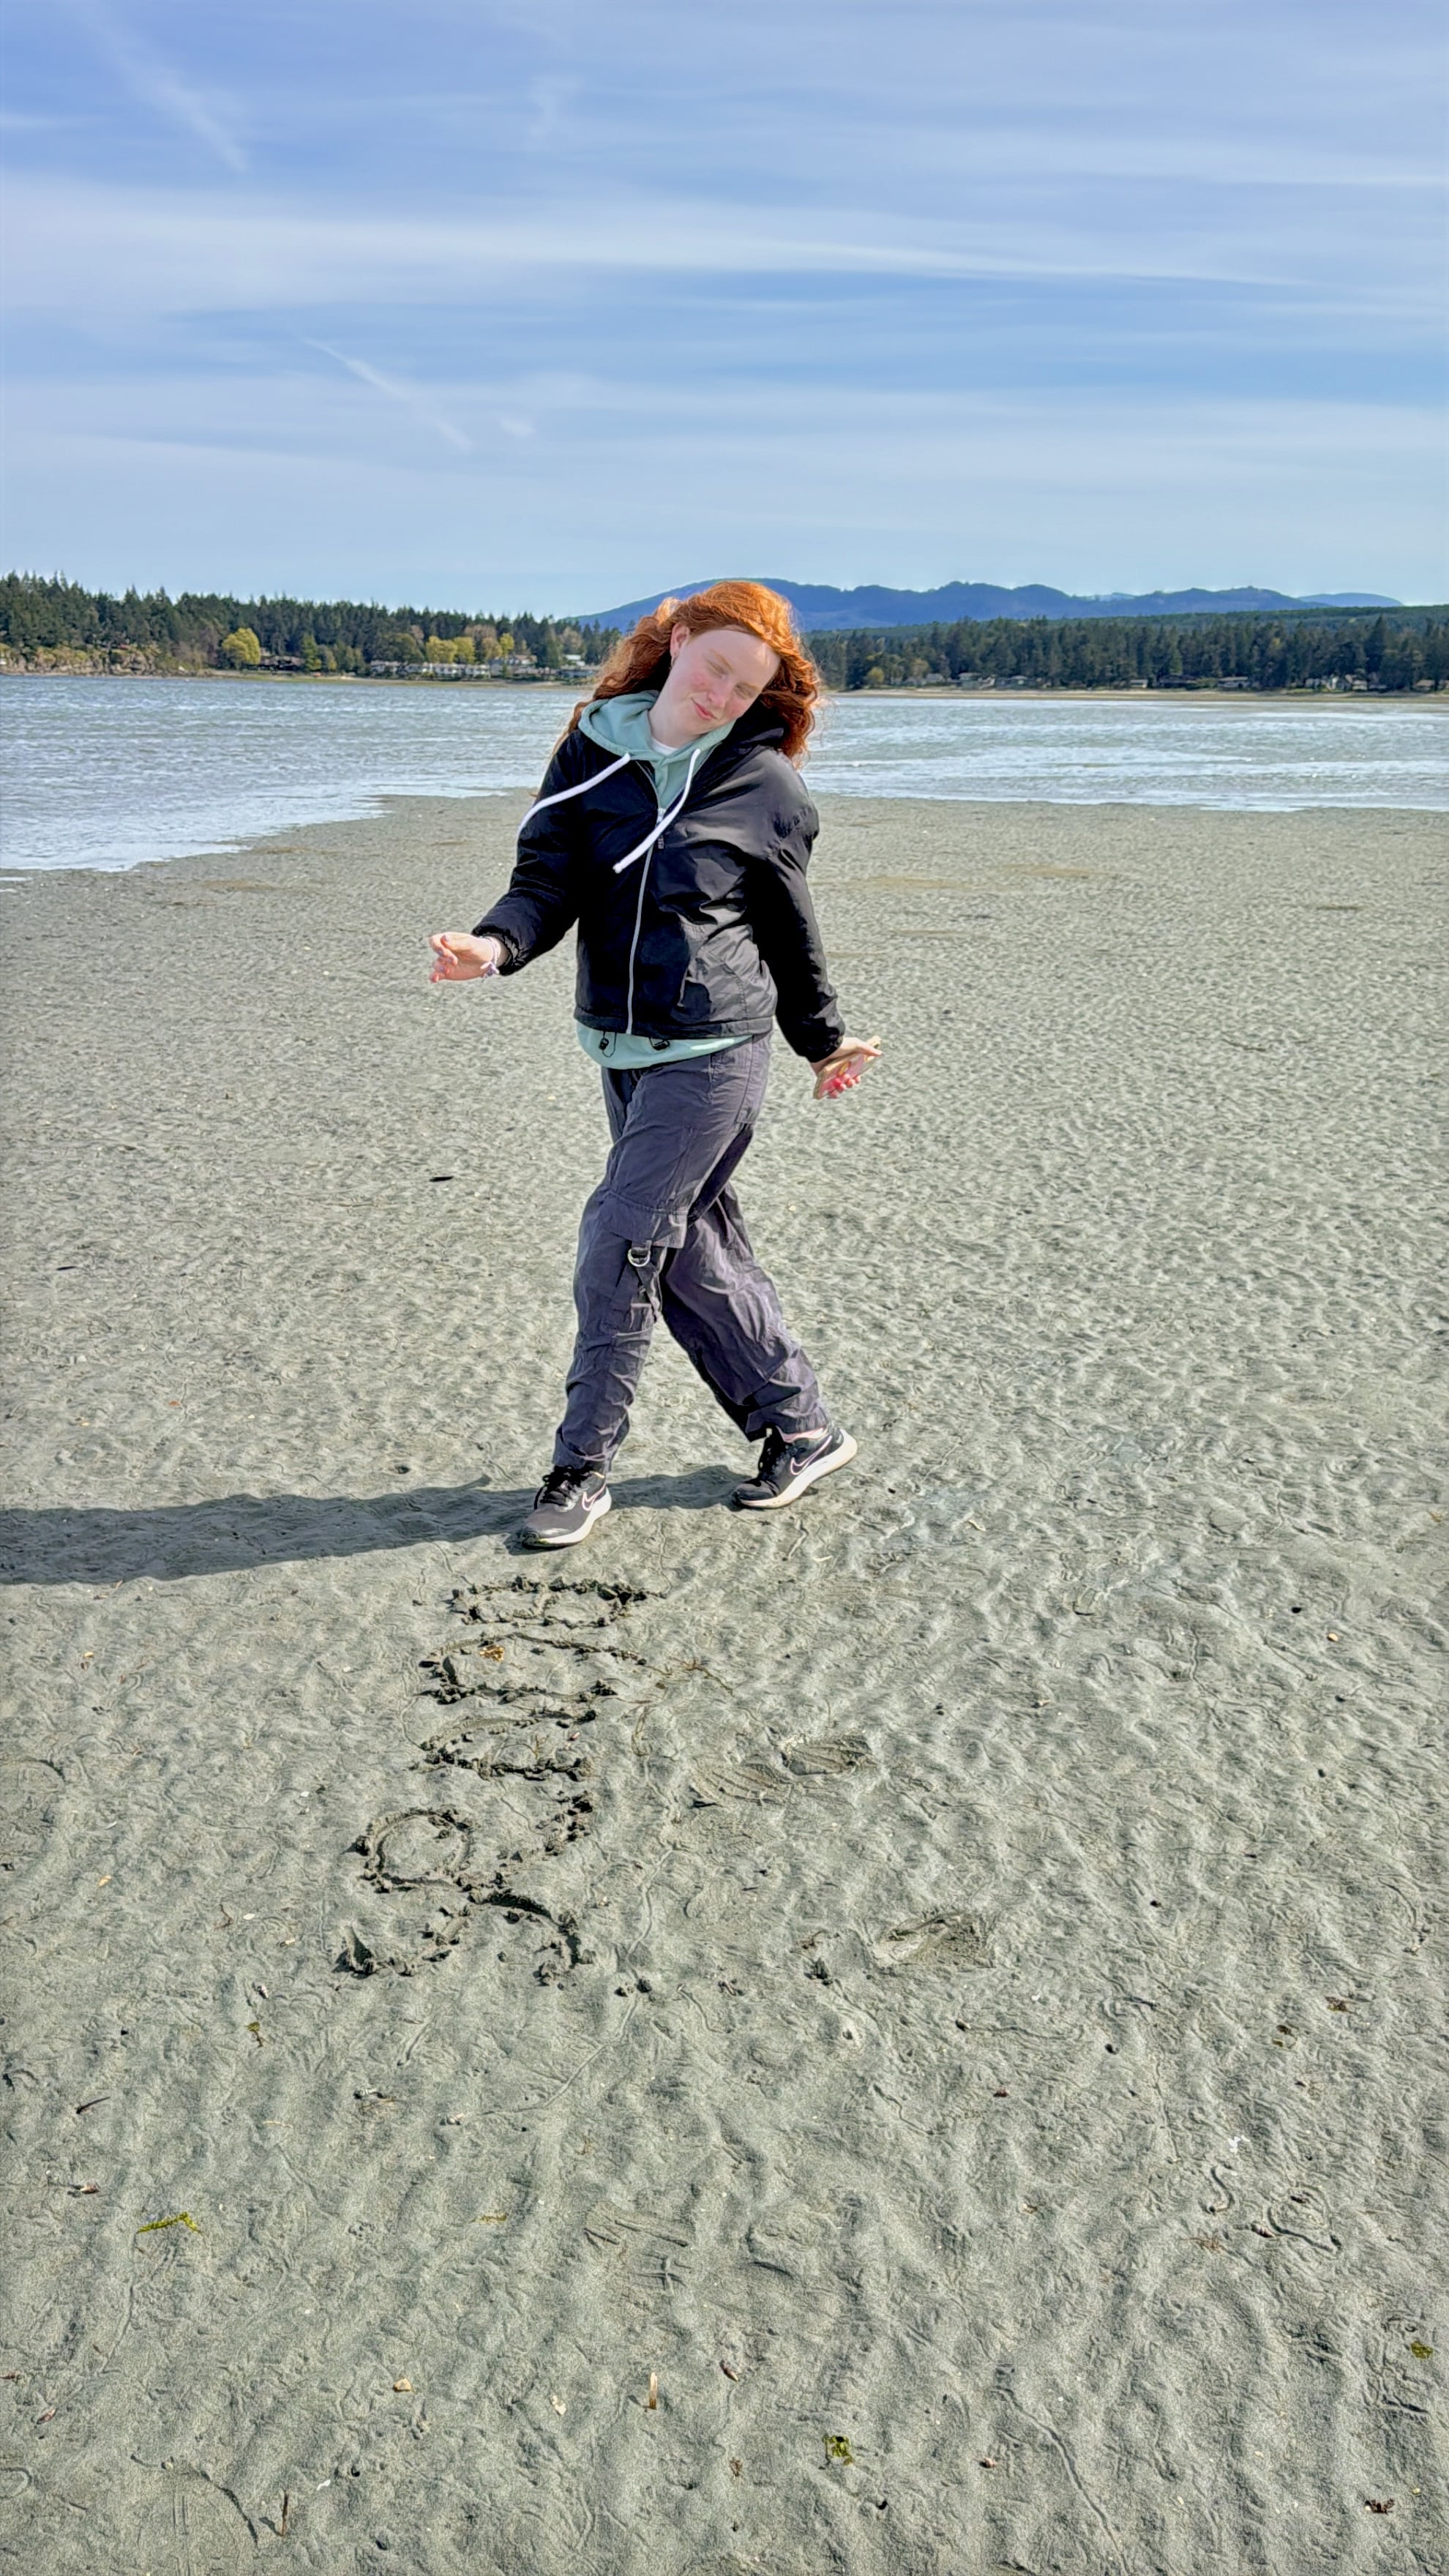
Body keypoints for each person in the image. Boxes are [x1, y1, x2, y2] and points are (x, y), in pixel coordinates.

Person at [429, 579, 880, 1549]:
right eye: (715, 668)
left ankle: (582, 1466)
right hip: (621, 1046)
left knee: (622, 1238)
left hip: (717, 1048)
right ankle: (802, 1427)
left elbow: (789, 928)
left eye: (745, 687)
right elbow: (546, 880)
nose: (721, 695)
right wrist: (495, 947)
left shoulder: (764, 784)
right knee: (686, 1252)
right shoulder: (593, 749)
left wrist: (822, 1038)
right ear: (678, 641)